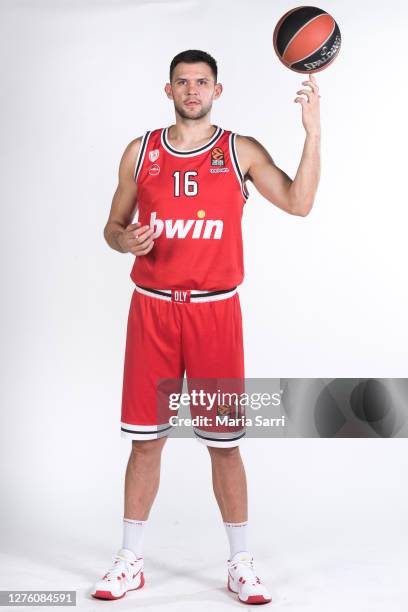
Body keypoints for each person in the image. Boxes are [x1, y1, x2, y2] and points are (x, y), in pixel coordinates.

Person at [91, 49, 321, 605]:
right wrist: (124, 240)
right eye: (182, 82)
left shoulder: (238, 150)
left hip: (215, 312)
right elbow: (111, 226)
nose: (192, 90)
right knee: (146, 444)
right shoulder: (139, 152)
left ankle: (240, 564)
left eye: (202, 82)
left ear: (218, 90)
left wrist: (313, 132)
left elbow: (300, 202)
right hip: (152, 309)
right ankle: (129, 560)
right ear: (167, 90)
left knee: (224, 444)